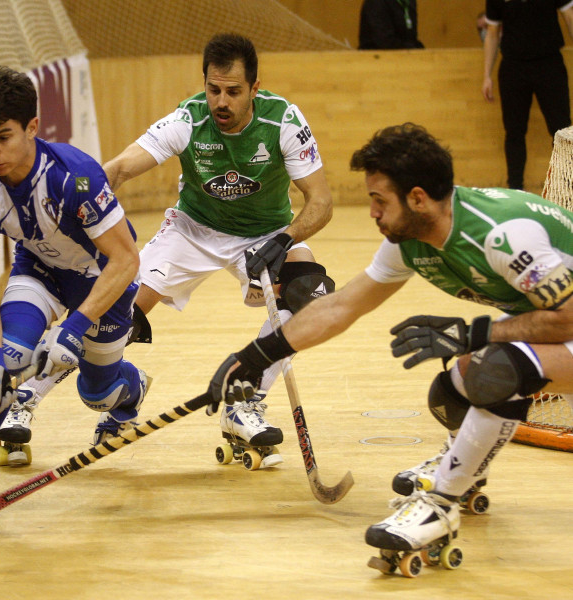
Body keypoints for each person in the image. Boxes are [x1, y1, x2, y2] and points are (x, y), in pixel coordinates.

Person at [208, 122, 573, 563]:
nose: (372, 213)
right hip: (551, 322)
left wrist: (478, 333)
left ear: (417, 198)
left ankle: (438, 505)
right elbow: (342, 307)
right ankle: (465, 469)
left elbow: (568, 318)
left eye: (379, 201)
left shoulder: (503, 236)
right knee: (452, 391)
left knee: (496, 370)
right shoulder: (410, 242)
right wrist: (255, 356)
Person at [0, 33, 334, 470]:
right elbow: (118, 168)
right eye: (214, 90)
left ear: (255, 88)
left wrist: (284, 240)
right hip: (191, 231)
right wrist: (74, 205)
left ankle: (244, 400)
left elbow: (321, 201)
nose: (221, 102)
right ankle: (26, 398)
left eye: (234, 91)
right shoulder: (190, 119)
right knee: (113, 313)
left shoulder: (283, 120)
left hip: (265, 235)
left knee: (311, 298)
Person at [0, 66, 149, 527]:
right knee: (10, 357)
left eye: (3, 137)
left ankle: (131, 389)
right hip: (41, 271)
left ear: (33, 128)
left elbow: (126, 260)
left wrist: (73, 328)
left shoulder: (77, 177)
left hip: (103, 278)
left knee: (98, 393)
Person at [482, 1, 573, 190]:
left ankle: (567, 187)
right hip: (513, 66)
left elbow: (569, 16)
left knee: (562, 129)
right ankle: (515, 189)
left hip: (549, 63)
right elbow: (492, 32)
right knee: (514, 132)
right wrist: (486, 76)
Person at [358, 0, 424, 50]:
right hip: (376, 61)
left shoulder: (408, 2)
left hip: (407, 58)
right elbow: (384, 42)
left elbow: (411, 38)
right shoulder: (375, 2)